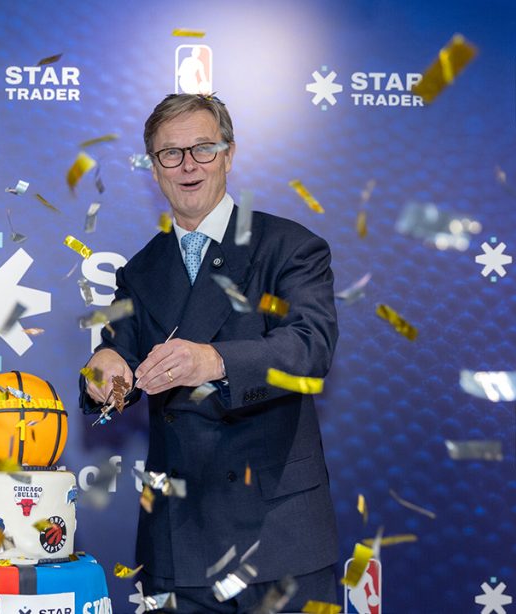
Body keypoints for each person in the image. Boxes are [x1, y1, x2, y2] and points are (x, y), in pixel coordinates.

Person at [80, 94, 339, 612]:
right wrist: (103, 369)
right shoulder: (140, 270)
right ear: (154, 167)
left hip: (280, 534)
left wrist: (213, 361)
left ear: (229, 154)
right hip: (182, 539)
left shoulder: (288, 246)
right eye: (170, 154)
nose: (188, 165)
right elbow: (117, 354)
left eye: (203, 148)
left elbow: (310, 347)